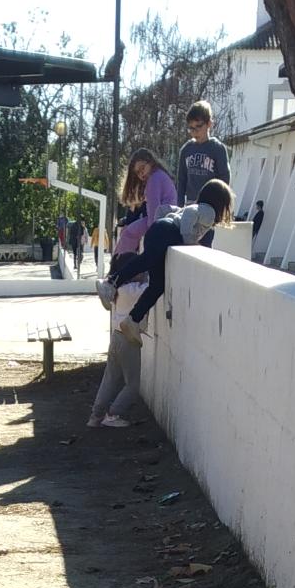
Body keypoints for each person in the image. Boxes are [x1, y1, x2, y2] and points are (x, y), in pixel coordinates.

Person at [113, 180, 233, 346]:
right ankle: (112, 281)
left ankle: (133, 319)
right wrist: (188, 241)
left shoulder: (196, 212)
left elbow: (163, 209)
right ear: (220, 202)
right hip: (168, 232)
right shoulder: (208, 211)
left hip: (160, 229)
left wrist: (159, 224)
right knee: (146, 261)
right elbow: (190, 213)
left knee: (157, 285)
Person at [88, 276, 148, 429]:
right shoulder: (136, 290)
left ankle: (96, 416)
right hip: (129, 337)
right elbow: (153, 288)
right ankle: (114, 414)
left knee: (109, 379)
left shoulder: (118, 288)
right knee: (132, 385)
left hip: (116, 335)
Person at [176, 102, 231, 247]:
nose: (195, 132)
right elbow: (181, 180)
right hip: (189, 205)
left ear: (209, 124)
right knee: (185, 243)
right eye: (191, 128)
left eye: (198, 126)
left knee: (204, 245)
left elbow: (224, 179)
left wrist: (220, 208)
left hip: (208, 207)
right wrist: (179, 205)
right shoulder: (186, 150)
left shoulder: (217, 148)